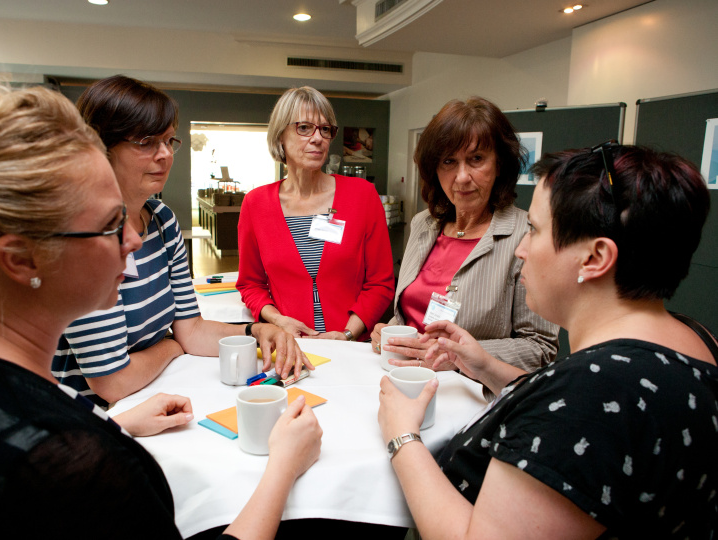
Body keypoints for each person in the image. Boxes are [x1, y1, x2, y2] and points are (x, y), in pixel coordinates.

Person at [0, 64, 322, 538]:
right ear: (20, 260)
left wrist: (118, 426)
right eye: (109, 226)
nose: (133, 239)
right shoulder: (74, 464)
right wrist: (283, 468)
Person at [378, 144, 717, 538]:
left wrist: (403, 436)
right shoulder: (693, 338)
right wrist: (487, 366)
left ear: (594, 258)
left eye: (535, 231)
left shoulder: (591, 396)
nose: (521, 250)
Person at [54, 75, 310, 407]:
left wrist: (254, 332)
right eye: (146, 142)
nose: (164, 155)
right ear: (101, 147)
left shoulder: (161, 220)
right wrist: (172, 345)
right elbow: (113, 382)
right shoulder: (84, 236)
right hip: (99, 421)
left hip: (151, 397)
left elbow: (191, 330)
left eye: (169, 141)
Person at [371, 97, 557, 379]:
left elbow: (540, 348)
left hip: (473, 396)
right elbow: (412, 312)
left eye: (476, 159)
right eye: (449, 161)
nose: (461, 177)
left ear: (500, 164)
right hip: (403, 379)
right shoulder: (424, 224)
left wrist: (459, 356)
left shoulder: (528, 234)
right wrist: (391, 330)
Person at [236, 86, 394, 350]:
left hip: (351, 347)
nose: (317, 138)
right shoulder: (256, 204)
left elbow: (380, 282)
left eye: (325, 129)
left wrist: (346, 334)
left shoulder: (362, 196)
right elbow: (250, 284)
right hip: (287, 347)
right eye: (304, 128)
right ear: (280, 137)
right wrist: (277, 320)